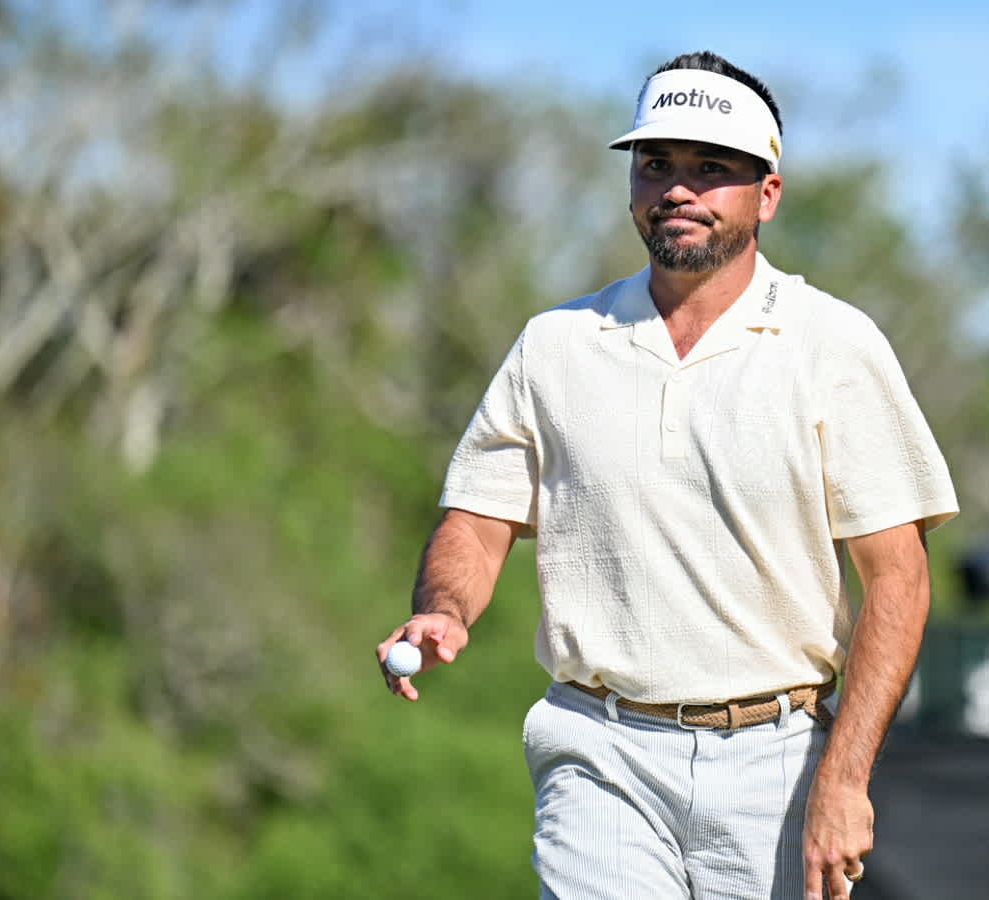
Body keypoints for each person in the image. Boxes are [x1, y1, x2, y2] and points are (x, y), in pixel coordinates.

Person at [376, 50, 958, 900]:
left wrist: (844, 778)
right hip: (597, 747)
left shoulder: (834, 346)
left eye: (710, 168)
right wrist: (443, 608)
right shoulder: (556, 344)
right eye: (657, 165)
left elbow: (897, 580)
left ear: (767, 193)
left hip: (778, 759)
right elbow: (478, 519)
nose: (676, 188)